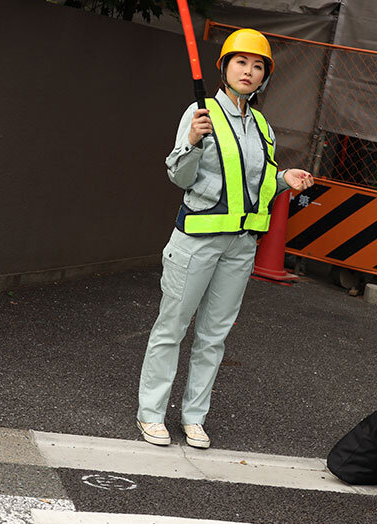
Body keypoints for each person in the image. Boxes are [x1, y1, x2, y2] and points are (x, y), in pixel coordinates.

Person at [136, 28, 314, 449]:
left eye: (258, 66)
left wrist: (283, 179)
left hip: (240, 246)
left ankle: (194, 418)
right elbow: (179, 176)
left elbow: (255, 185)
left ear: (264, 76)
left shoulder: (262, 126)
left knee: (213, 337)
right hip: (197, 240)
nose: (249, 71)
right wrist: (193, 142)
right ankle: (151, 413)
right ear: (225, 67)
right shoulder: (200, 114)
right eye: (241, 62)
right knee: (172, 328)